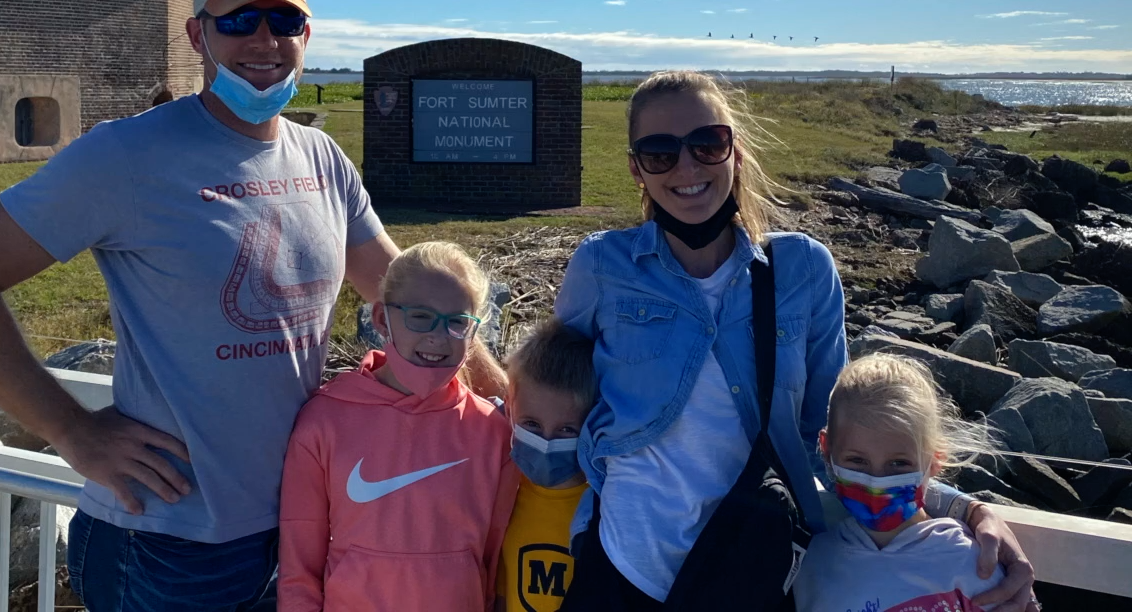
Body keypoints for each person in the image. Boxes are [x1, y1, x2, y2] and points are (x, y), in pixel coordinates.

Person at [0, 0, 501, 612]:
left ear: (307, 35)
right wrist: (71, 429)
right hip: (170, 541)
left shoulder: (322, 157)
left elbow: (400, 288)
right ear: (198, 34)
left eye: (285, 22)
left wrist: (508, 404)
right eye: (239, 21)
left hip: (303, 524)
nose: (265, 41)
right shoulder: (126, 154)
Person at [553, 71, 1037, 610]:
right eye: (659, 152)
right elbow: (550, 395)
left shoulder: (802, 269)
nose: (687, 167)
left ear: (735, 152)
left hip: (751, 570)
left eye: (707, 143)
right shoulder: (601, 266)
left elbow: (835, 436)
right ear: (636, 168)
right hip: (621, 566)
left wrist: (965, 510)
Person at [278, 241, 518, 611]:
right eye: (420, 316)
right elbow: (299, 567)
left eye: (457, 322)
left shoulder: (493, 432)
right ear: (380, 318)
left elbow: (497, 561)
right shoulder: (324, 422)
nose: (438, 336)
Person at [795, 354, 1004, 611]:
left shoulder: (971, 563)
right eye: (857, 461)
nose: (877, 482)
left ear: (935, 460)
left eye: (899, 464)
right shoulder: (813, 563)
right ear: (827, 451)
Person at [495, 317, 597, 612]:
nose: (547, 442)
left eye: (567, 430)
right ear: (510, 406)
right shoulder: (504, 492)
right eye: (532, 425)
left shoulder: (604, 508)